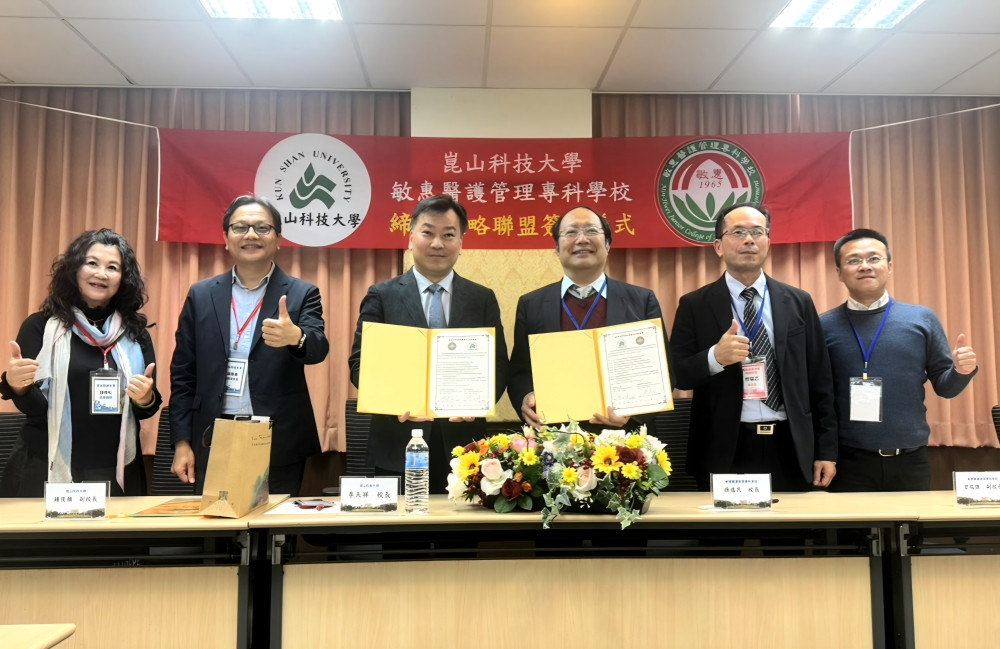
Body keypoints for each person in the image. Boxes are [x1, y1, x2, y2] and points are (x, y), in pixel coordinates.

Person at [670, 203, 837, 492]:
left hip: (791, 445)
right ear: (718, 246)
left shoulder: (798, 302)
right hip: (725, 447)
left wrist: (826, 450)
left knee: (793, 522)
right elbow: (678, 375)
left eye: (758, 232)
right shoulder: (694, 305)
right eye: (738, 232)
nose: (749, 239)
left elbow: (820, 379)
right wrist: (714, 358)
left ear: (768, 242)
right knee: (725, 524)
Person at [169, 195, 328, 497]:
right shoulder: (201, 295)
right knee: (218, 522)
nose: (251, 235)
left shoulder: (302, 293)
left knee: (275, 523)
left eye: (262, 228)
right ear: (226, 239)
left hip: (278, 437)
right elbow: (183, 374)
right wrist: (181, 441)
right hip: (212, 436)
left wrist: (296, 337)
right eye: (240, 227)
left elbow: (318, 348)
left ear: (278, 239)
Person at [349, 195, 508, 493]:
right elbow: (360, 365)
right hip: (397, 442)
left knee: (461, 522)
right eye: (428, 233)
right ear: (411, 238)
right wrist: (393, 401)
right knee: (401, 523)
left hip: (466, 447)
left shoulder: (481, 298)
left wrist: (478, 403)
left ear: (460, 243)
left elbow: (499, 365)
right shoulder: (382, 295)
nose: (437, 243)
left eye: (448, 235)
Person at [0, 229, 161, 497]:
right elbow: (35, 410)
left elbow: (147, 409)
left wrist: (144, 399)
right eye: (92, 263)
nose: (101, 274)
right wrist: (18, 387)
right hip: (46, 465)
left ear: (124, 278)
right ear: (74, 270)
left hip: (116, 470)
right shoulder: (40, 327)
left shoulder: (135, 334)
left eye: (112, 267)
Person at [821, 228, 977, 492]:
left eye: (874, 258)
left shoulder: (922, 319)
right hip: (848, 461)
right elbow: (819, 397)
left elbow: (946, 388)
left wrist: (962, 371)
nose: (865, 266)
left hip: (910, 460)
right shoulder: (823, 326)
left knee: (912, 521)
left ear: (890, 266)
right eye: (854, 260)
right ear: (839, 272)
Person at [507, 205, 667, 432]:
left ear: (608, 244)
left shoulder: (642, 301)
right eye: (571, 232)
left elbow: (663, 370)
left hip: (624, 437)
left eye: (591, 231)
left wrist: (634, 414)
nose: (582, 239)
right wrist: (525, 398)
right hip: (553, 436)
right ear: (557, 248)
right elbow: (520, 371)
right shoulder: (531, 305)